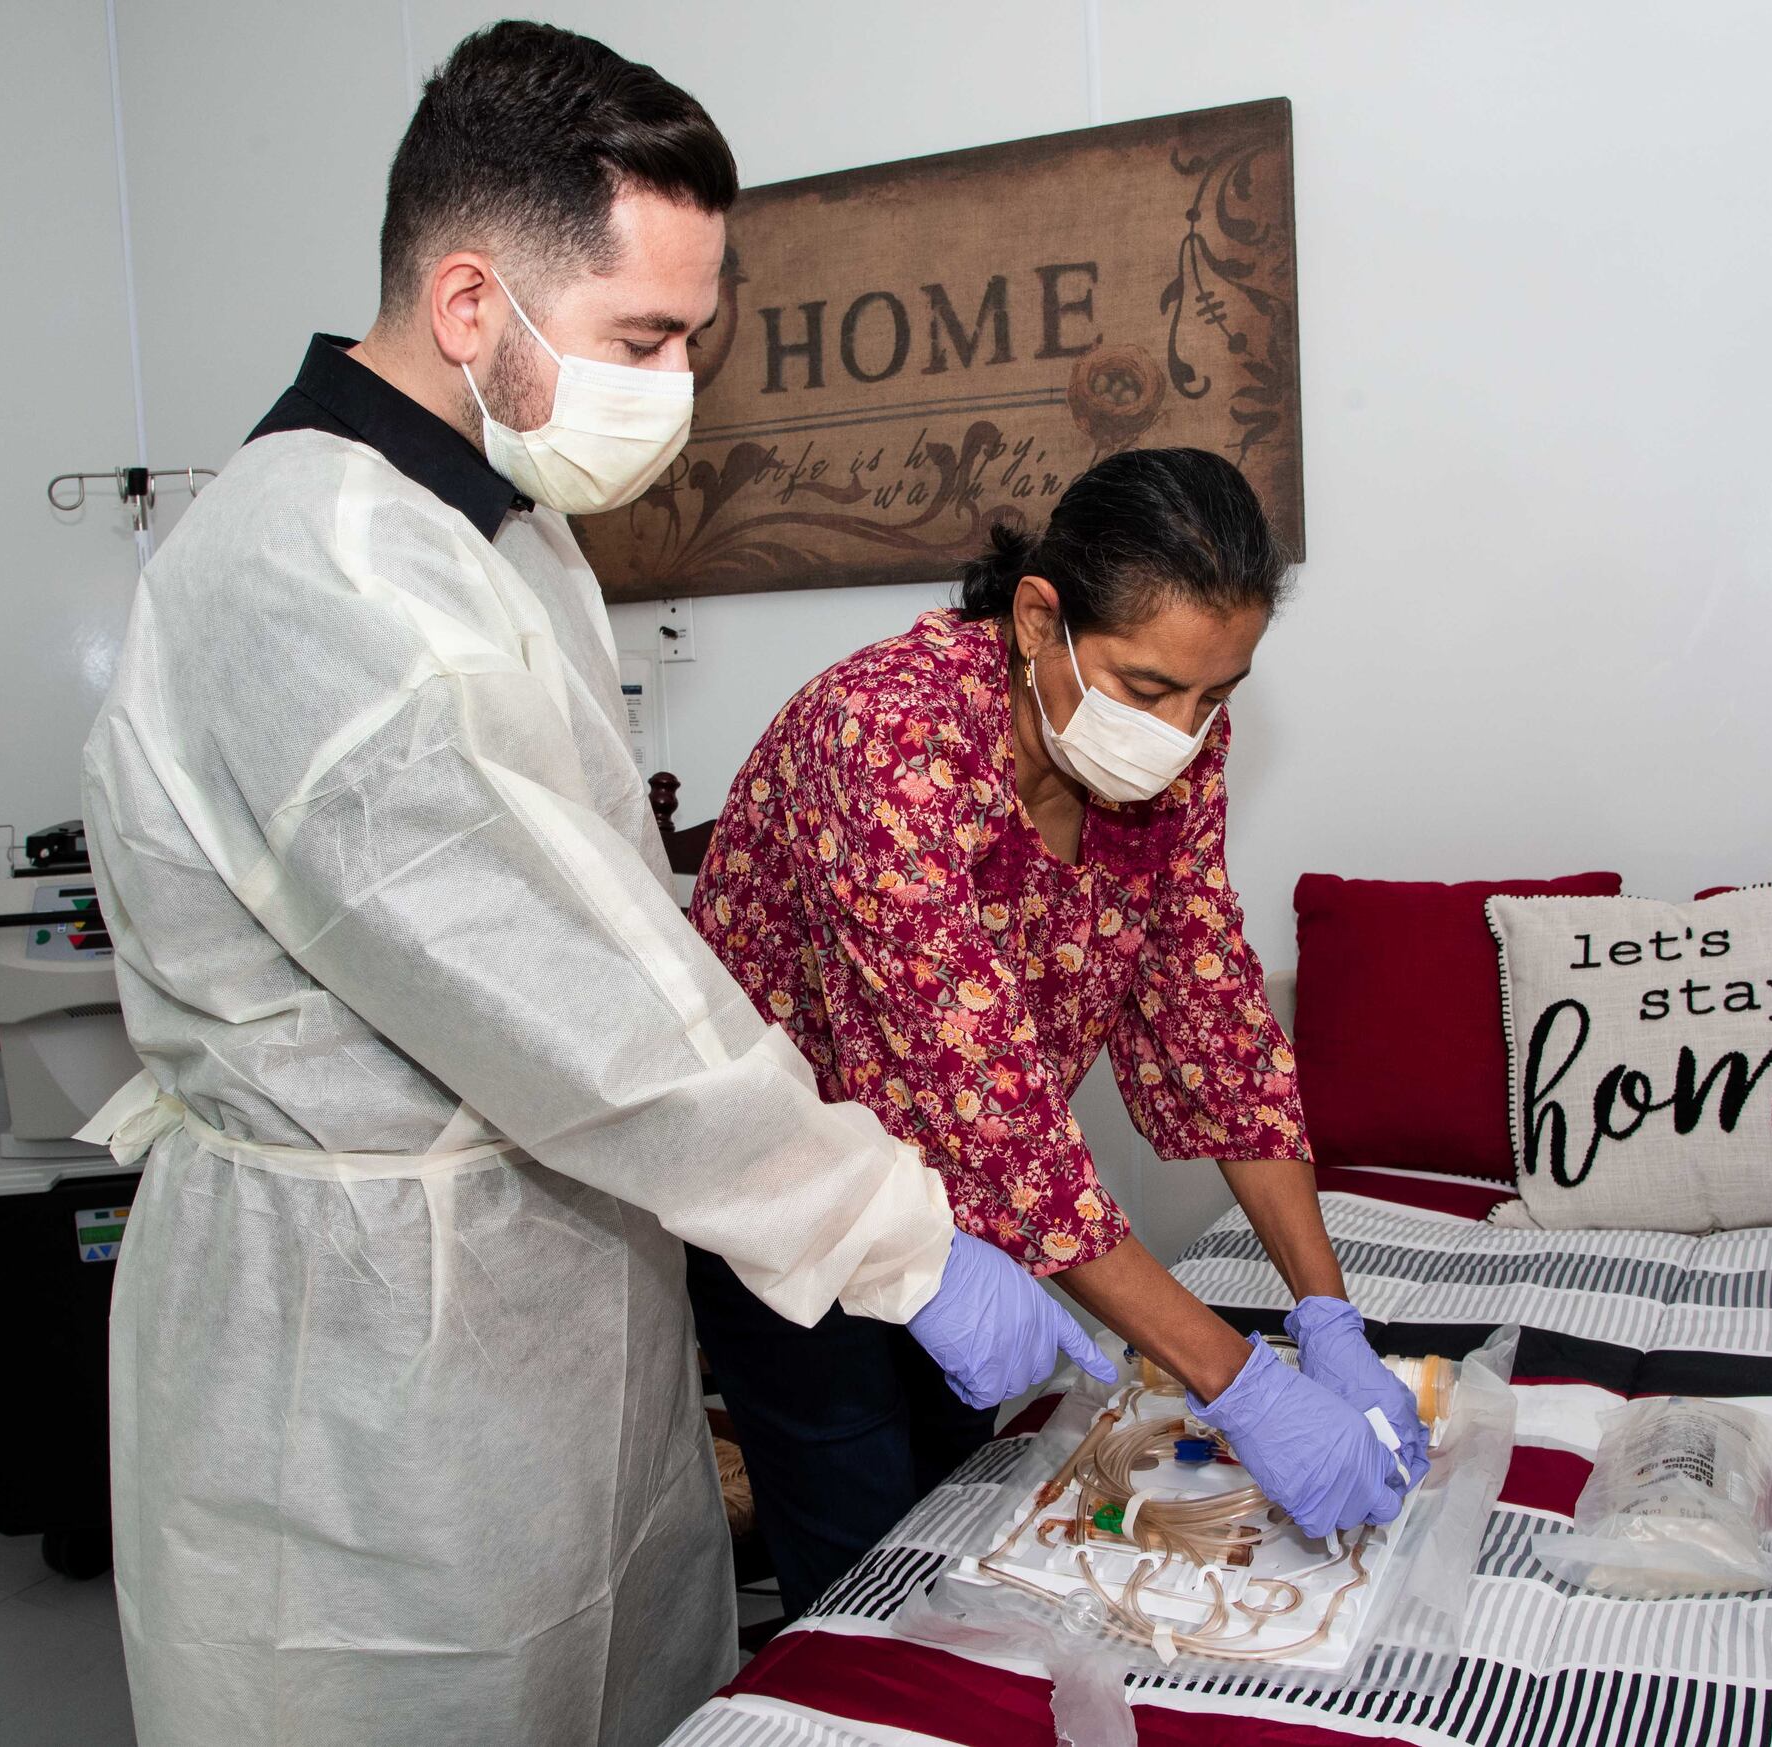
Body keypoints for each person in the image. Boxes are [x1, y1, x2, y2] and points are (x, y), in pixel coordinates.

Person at [74, 25, 1105, 1747]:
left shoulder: (498, 528)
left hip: (545, 1302)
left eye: (692, 336)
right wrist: (899, 1242)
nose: (680, 380)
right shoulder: (317, 578)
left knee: (627, 1672)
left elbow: (616, 935)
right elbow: (583, 1010)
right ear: (471, 303)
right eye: (646, 336)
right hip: (367, 1363)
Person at [687, 448, 1428, 1619]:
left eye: (1217, 695)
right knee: (871, 1565)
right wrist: (1241, 1385)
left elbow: (1215, 1012)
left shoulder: (1169, 745)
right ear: (1040, 617)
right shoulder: (885, 733)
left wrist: (1323, 1313)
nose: (1183, 733)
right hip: (798, 1203)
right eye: (1147, 689)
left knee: (957, 1502)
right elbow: (980, 1096)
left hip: (968, 1211)